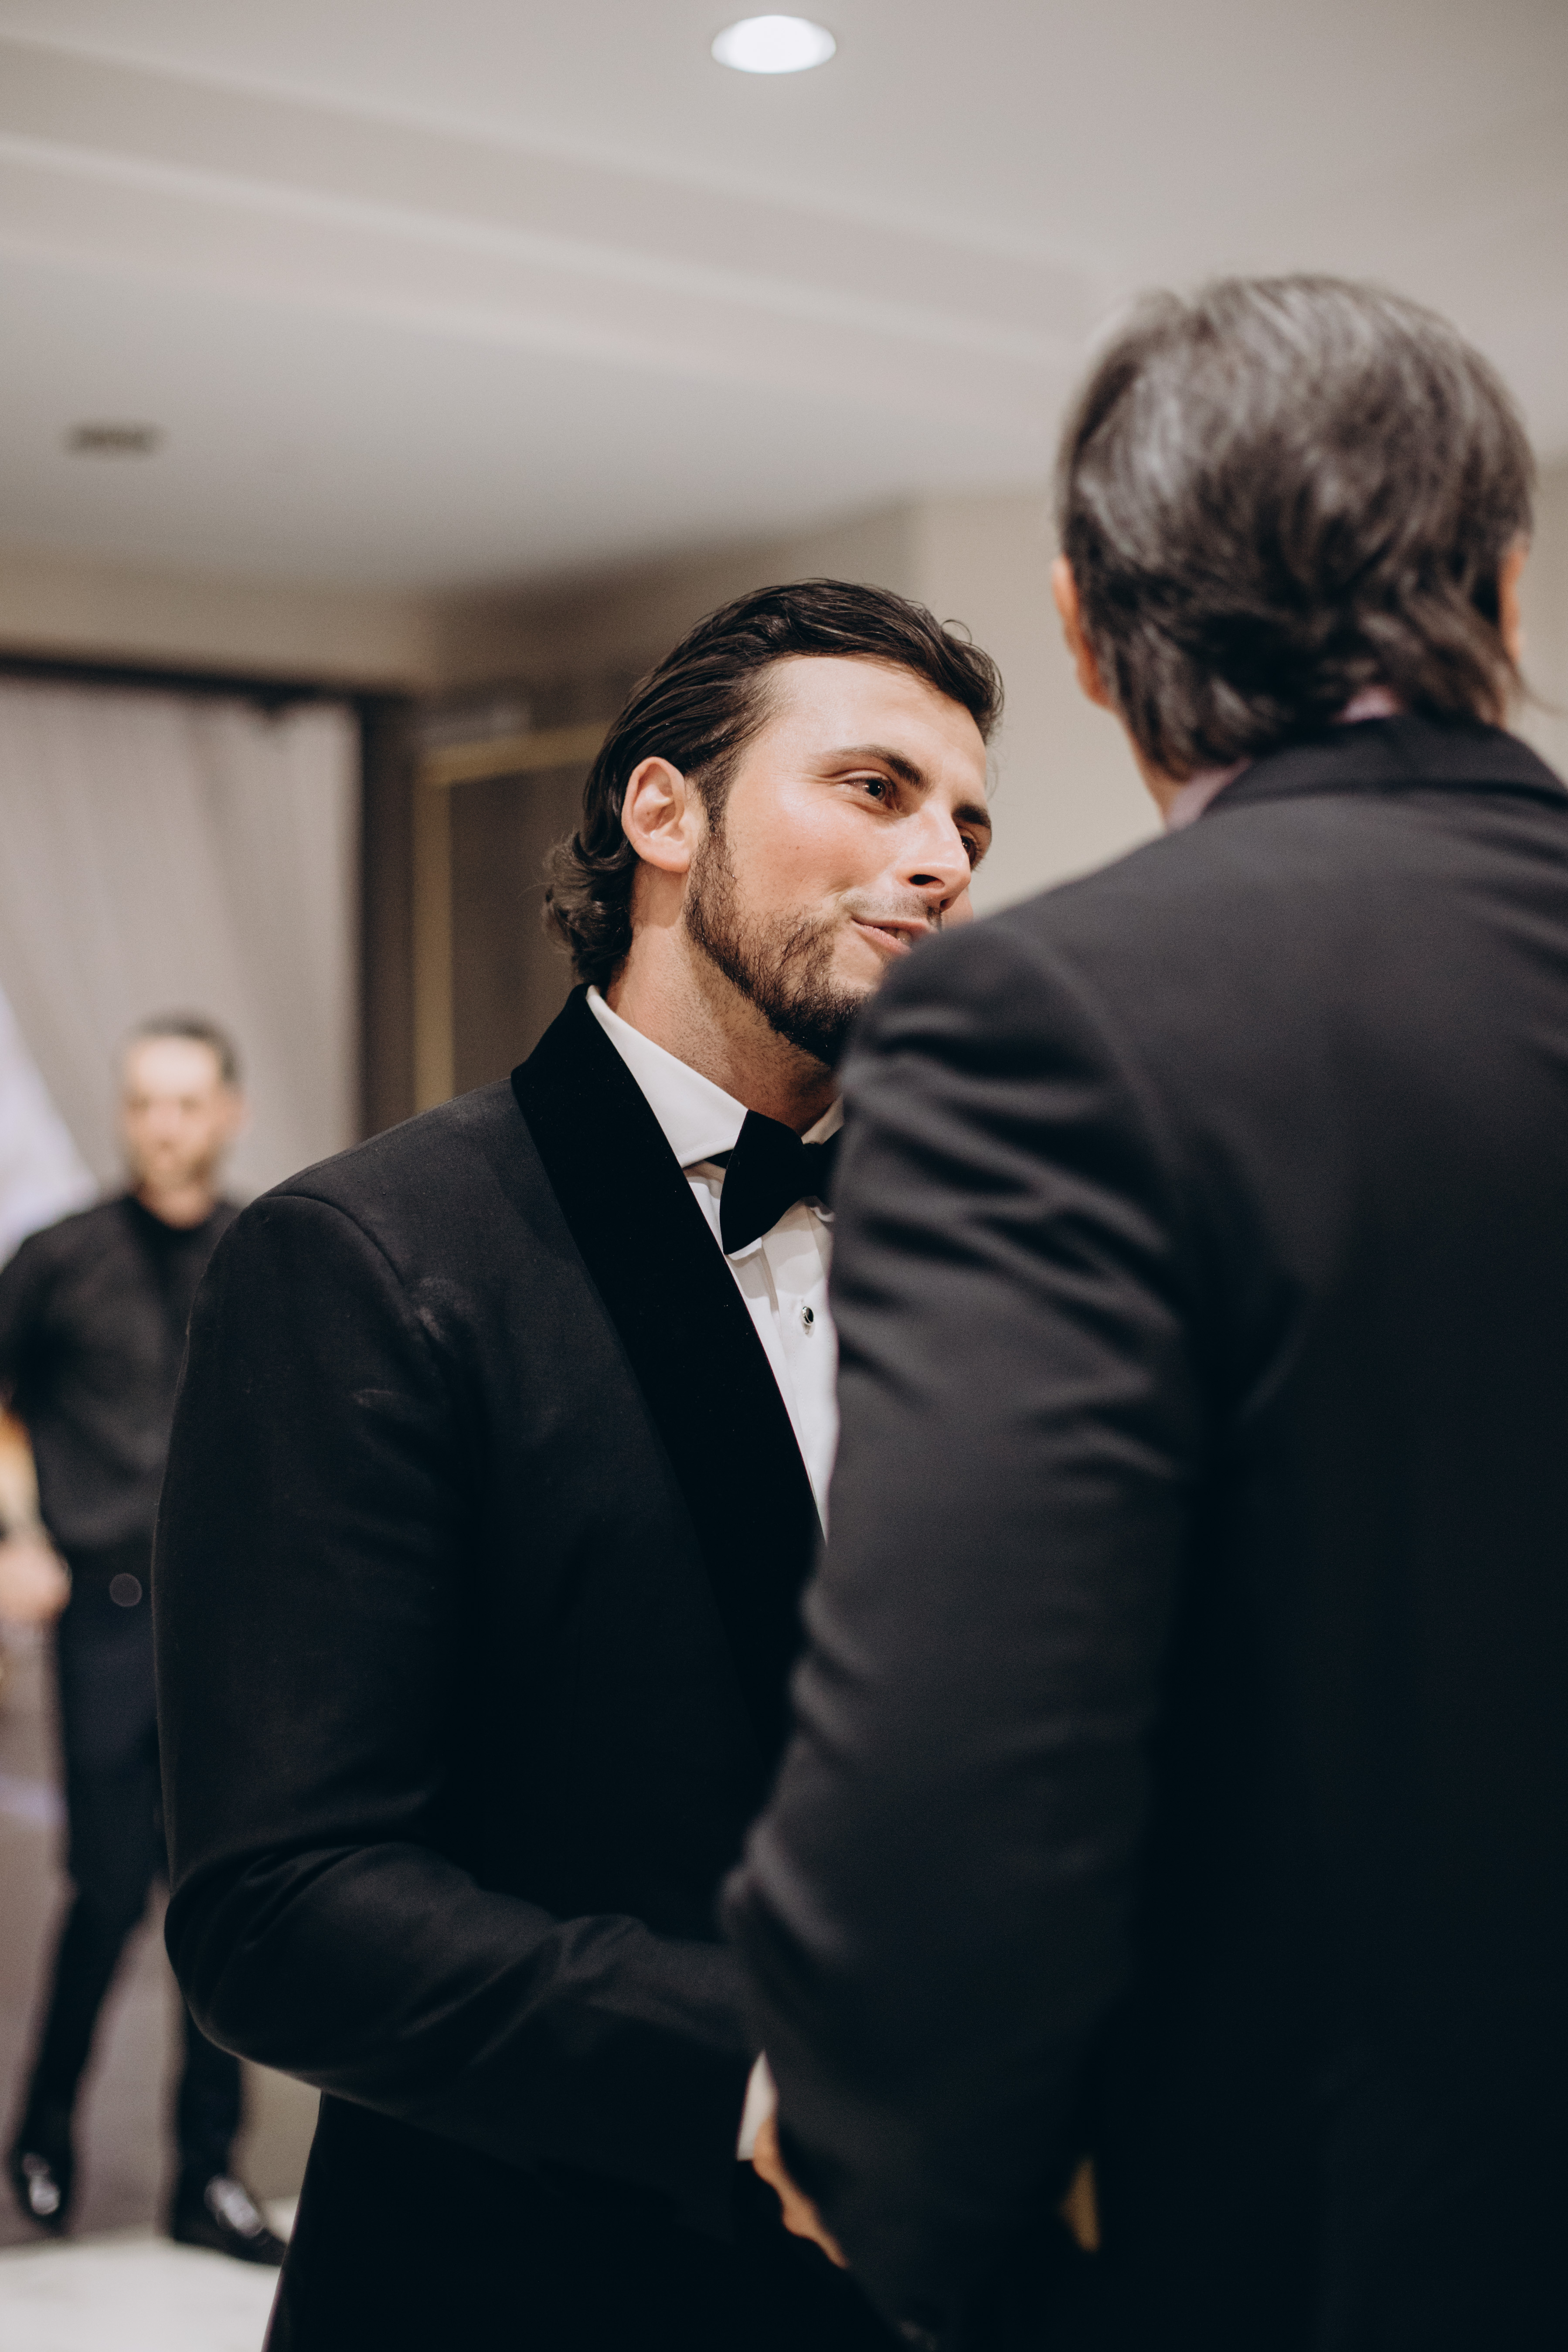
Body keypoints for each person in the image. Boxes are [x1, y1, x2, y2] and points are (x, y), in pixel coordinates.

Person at [724, 278, 1568, 2352]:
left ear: (1089, 635)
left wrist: (891, 2157)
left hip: (1342, 2245)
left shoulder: (1050, 1026)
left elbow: (969, 1749)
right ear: (1505, 590)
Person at [153, 581, 999, 2350]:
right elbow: (280, 1909)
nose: (940, 860)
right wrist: (756, 2071)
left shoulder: (999, 1255)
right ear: (664, 814)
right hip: (526, 2283)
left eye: (967, 824)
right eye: (875, 787)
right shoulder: (367, 1257)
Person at [0, 1015, 284, 2264]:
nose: (161, 1126)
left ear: (227, 1112)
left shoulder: (269, 1249)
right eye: (143, 1103)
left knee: (221, 1892)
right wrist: (15, 1536)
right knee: (112, 1886)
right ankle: (41, 2134)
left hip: (233, 1616)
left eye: (184, 1102)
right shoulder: (58, 1258)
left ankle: (206, 2176)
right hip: (108, 1609)